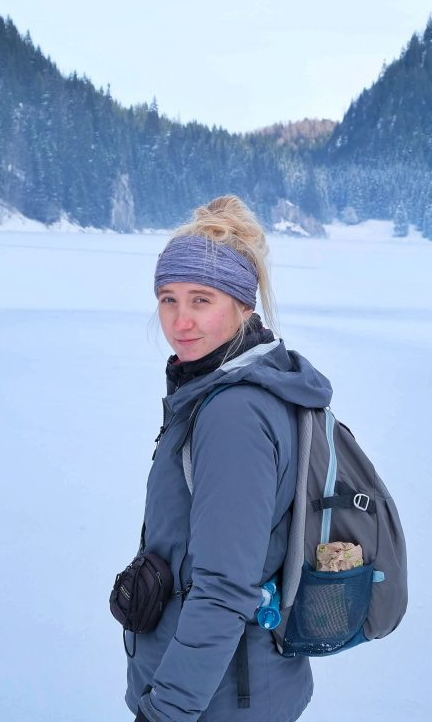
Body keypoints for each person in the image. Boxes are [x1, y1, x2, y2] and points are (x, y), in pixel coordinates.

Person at [125, 195, 330, 722]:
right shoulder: (228, 390)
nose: (180, 321)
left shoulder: (233, 415)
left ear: (244, 307)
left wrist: (166, 711)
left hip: (216, 702)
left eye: (201, 299)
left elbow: (222, 589)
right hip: (239, 687)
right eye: (168, 299)